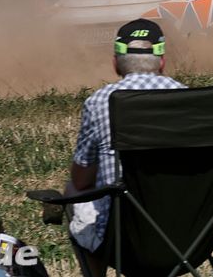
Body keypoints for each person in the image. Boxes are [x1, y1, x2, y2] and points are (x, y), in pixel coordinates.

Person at [67, 19, 185, 276]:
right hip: (189, 238)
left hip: (122, 240)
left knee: (73, 190)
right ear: (162, 61)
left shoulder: (100, 101)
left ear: (115, 63)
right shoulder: (189, 99)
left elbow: (81, 180)